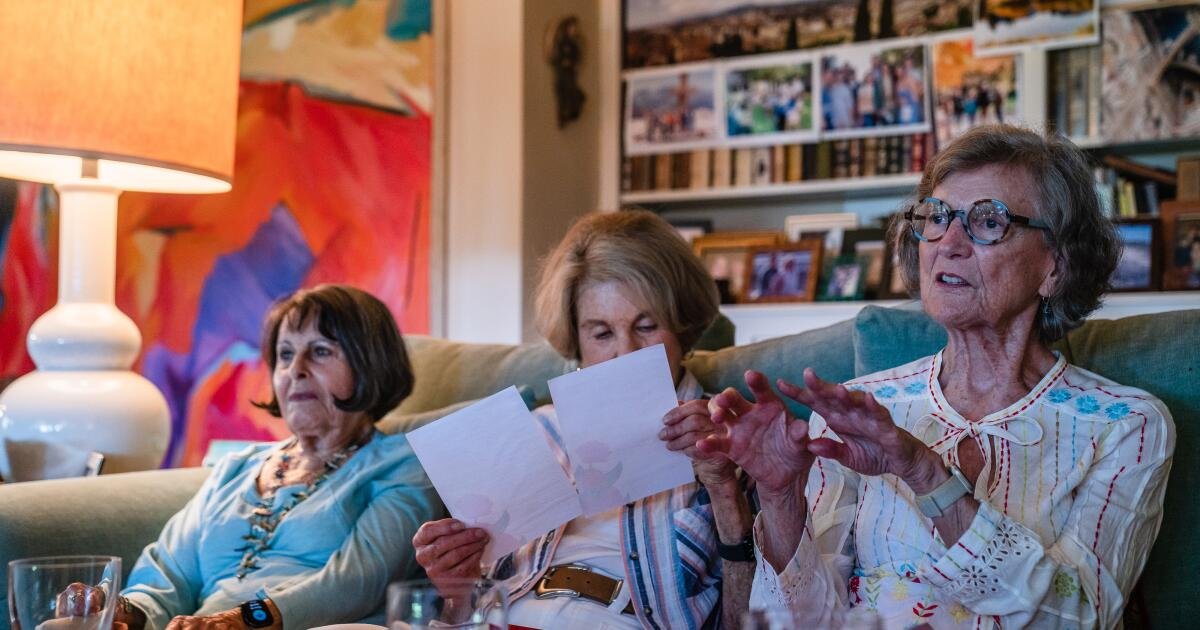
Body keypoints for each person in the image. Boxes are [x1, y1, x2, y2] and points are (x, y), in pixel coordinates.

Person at [699, 125, 1175, 628]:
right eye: (937, 217)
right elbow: (800, 622)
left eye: (988, 221)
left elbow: (1078, 617)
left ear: (1055, 265)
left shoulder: (1125, 425)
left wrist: (924, 473)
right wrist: (780, 498)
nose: (948, 243)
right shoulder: (856, 411)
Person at [411, 210, 756, 628]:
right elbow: (467, 613)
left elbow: (755, 615)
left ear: (682, 330)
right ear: (576, 341)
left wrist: (724, 488)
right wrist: (458, 586)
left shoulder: (731, 434)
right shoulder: (532, 432)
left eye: (647, 326)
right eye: (602, 333)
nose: (626, 352)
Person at [60, 284, 440, 629]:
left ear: (371, 364)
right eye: (285, 355)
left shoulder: (403, 464)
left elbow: (357, 582)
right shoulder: (237, 468)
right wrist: (119, 610)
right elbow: (168, 574)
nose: (295, 370)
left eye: (320, 352)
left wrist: (242, 621)